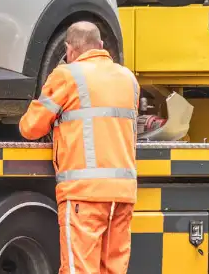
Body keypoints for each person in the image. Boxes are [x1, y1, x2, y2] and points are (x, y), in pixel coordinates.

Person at [20, 21, 139, 274]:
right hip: (122, 196)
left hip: (84, 196)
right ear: (101, 46)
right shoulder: (128, 79)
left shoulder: (68, 75)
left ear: (69, 49)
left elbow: (30, 128)